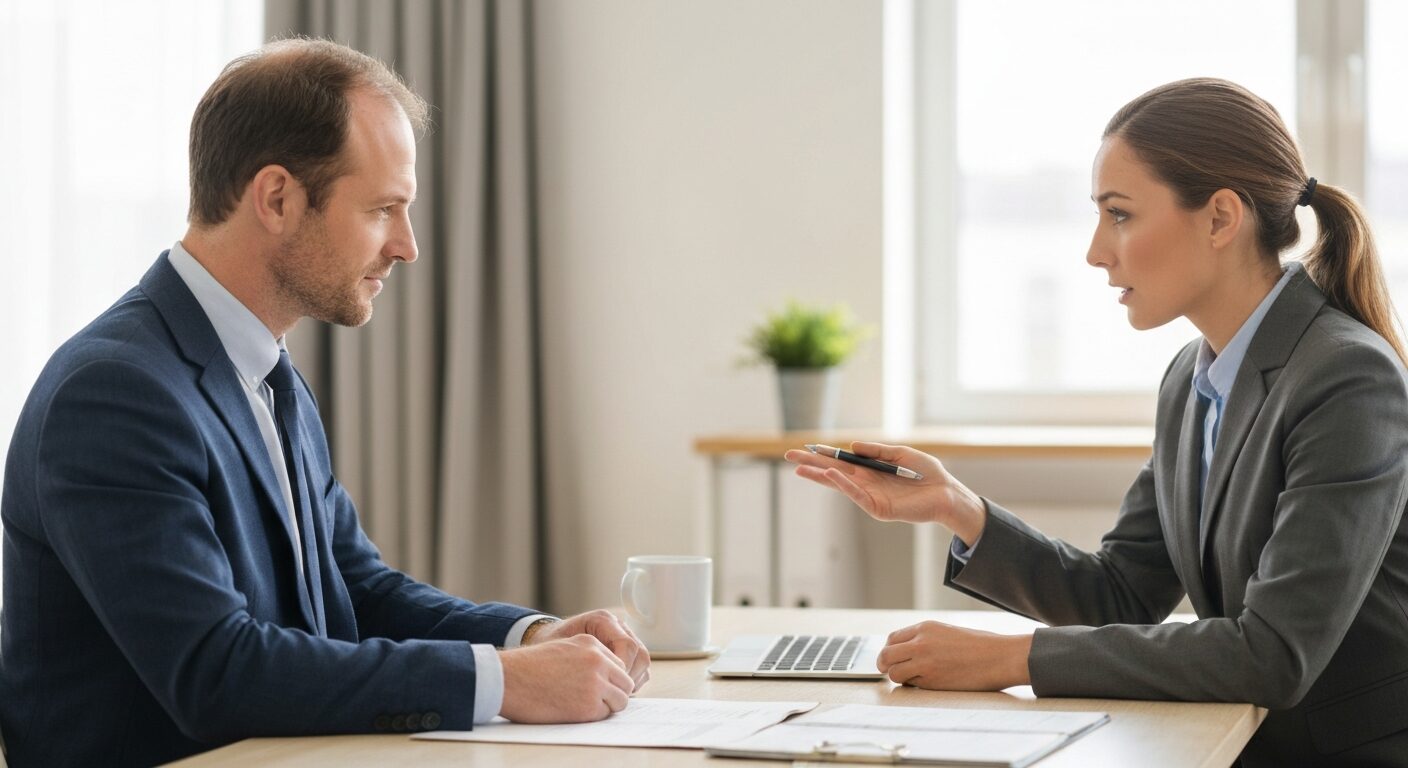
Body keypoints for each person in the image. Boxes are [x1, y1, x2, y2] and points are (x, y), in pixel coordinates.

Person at [0, 39, 648, 768]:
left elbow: (355, 591)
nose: (407, 246)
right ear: (277, 198)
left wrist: (530, 638)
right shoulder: (112, 393)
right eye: (383, 209)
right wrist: (505, 682)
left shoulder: (266, 372)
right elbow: (216, 671)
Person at [787, 78, 1408, 767]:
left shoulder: (1348, 378)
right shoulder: (1191, 378)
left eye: (1119, 215)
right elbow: (1122, 593)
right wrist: (958, 508)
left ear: (1220, 219)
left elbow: (1273, 653)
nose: (1095, 250)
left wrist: (1010, 658)